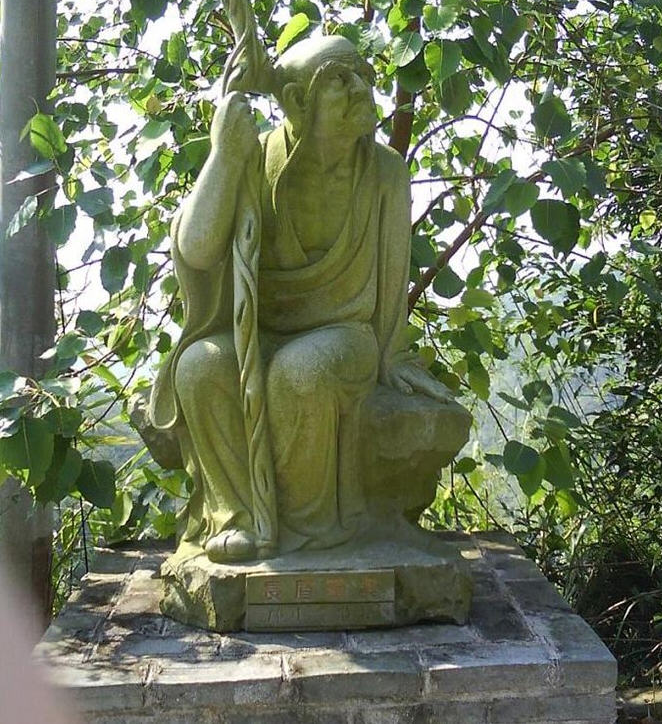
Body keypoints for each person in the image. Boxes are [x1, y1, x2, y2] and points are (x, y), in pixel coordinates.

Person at [150, 35, 452, 564]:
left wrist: (393, 356)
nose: (361, 88)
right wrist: (223, 155)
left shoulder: (384, 173)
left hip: (345, 335)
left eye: (363, 75)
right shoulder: (252, 160)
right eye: (339, 78)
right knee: (198, 367)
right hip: (259, 330)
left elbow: (390, 287)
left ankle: (308, 533)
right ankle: (238, 516)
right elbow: (197, 248)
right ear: (294, 101)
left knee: (301, 372)